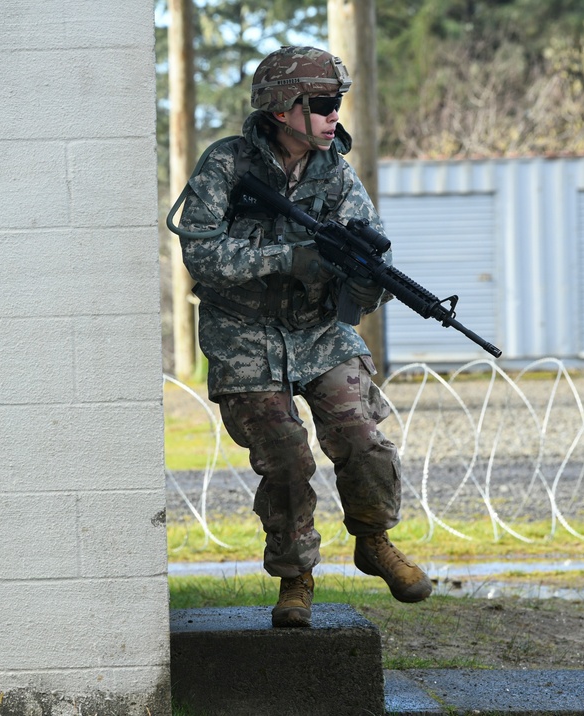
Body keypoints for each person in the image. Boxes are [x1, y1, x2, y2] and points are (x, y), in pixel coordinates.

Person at [168, 45, 432, 628]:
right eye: (322, 103)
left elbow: (370, 261)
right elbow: (202, 254)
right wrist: (292, 258)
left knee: (362, 438)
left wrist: (362, 281)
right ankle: (296, 578)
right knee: (286, 456)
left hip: (318, 331)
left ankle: (373, 541)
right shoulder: (227, 165)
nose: (334, 114)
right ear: (283, 109)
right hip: (243, 334)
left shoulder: (337, 173)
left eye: (337, 103)